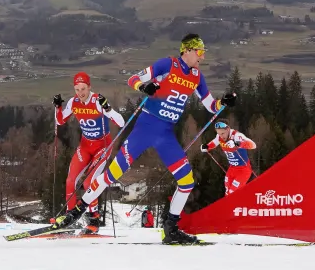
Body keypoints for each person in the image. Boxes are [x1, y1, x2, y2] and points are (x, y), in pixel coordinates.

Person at [52, 34, 236, 245]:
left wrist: (224, 101)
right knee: (112, 174)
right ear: (188, 50)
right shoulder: (168, 64)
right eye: (200, 52)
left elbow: (211, 105)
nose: (202, 57)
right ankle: (77, 211)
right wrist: (144, 87)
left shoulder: (197, 76)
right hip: (146, 127)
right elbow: (134, 79)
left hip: (166, 134)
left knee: (186, 180)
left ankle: (171, 229)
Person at [52, 72, 125, 234]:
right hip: (85, 146)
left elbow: (121, 122)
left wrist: (108, 108)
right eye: (77, 89)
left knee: (89, 183)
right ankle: (69, 218)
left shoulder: (98, 101)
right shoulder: (73, 102)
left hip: (102, 147)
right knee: (70, 180)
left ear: (89, 87)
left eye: (83, 89)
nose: (80, 93)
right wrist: (58, 107)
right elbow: (60, 121)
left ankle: (94, 220)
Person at [200, 120, 256, 196]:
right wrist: (207, 147)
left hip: (243, 170)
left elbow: (253, 145)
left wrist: (237, 144)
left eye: (223, 133)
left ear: (228, 129)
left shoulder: (237, 136)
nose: (221, 136)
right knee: (227, 192)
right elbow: (214, 142)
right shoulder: (219, 137)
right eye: (219, 133)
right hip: (232, 168)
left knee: (233, 193)